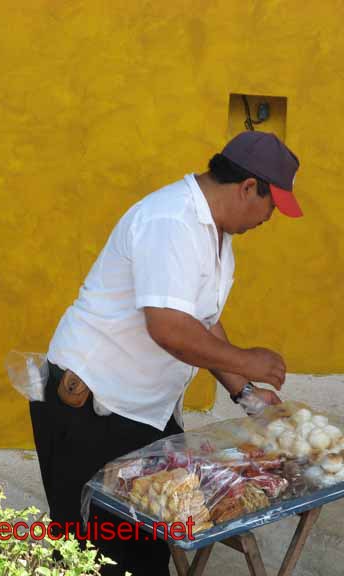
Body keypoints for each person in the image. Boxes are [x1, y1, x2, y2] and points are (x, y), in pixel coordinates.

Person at [29, 131, 303, 575]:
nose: (270, 218)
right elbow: (169, 328)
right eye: (272, 205)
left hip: (143, 411)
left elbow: (201, 321)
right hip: (91, 406)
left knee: (149, 546)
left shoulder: (216, 234)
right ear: (248, 187)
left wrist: (246, 392)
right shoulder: (171, 221)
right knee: (100, 557)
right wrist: (247, 360)